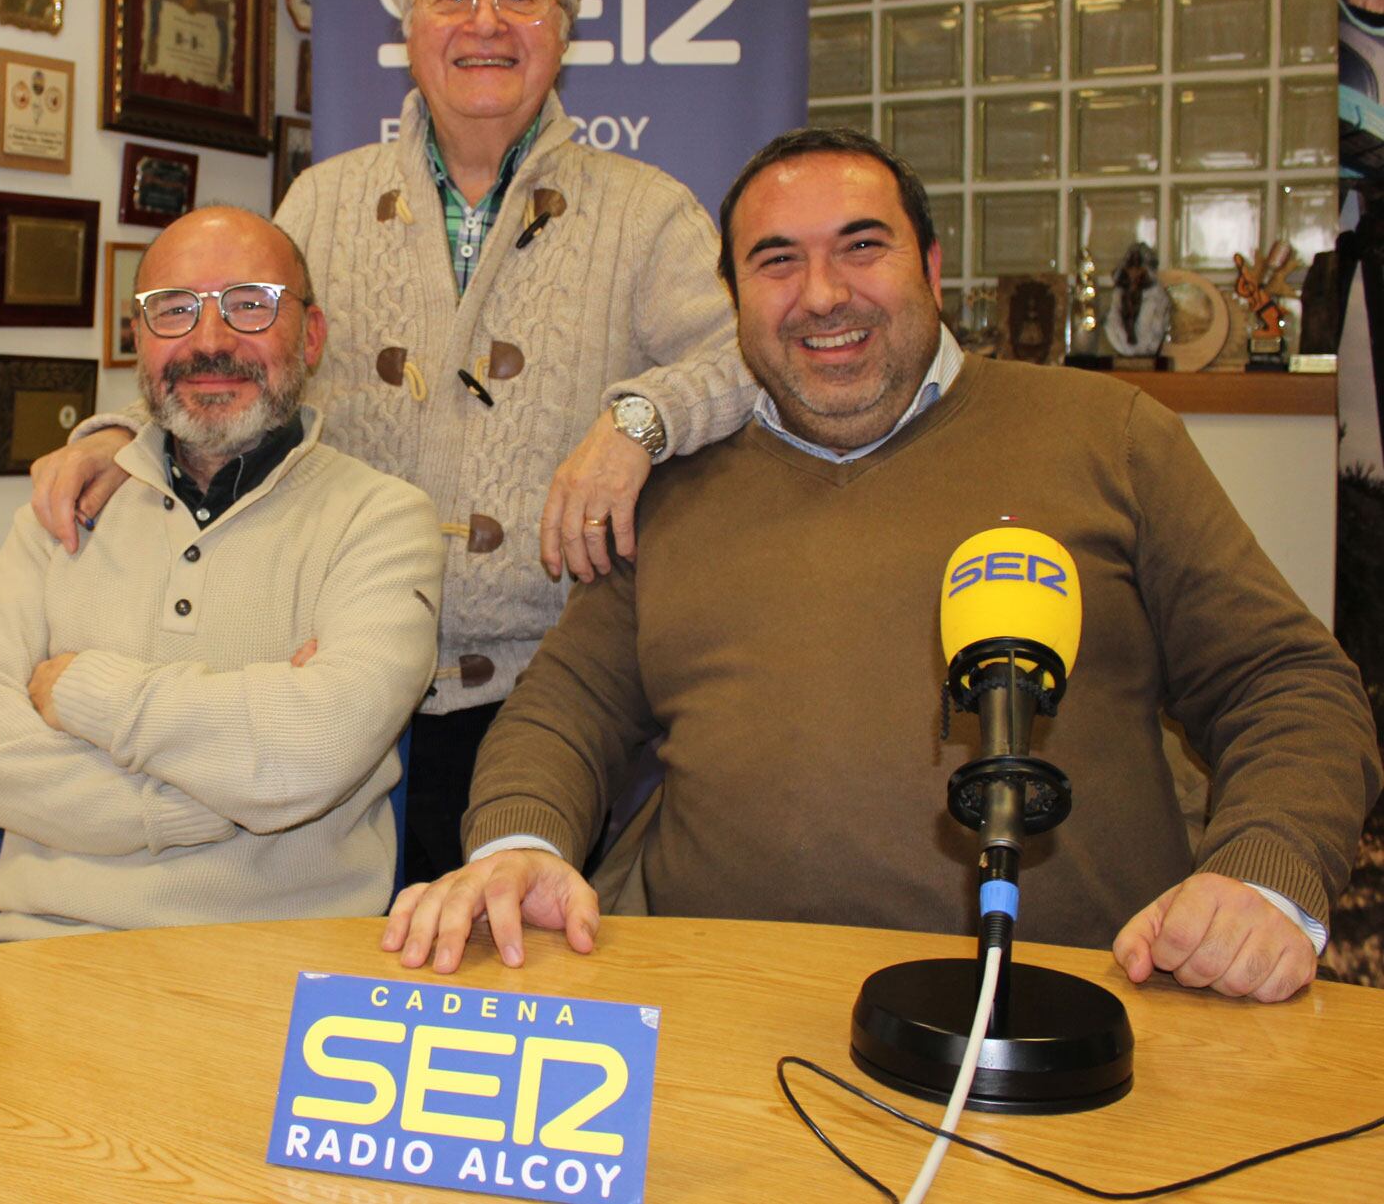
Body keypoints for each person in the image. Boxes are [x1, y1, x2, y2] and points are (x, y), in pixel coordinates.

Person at [381, 128, 1381, 1004]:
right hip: (725, 1012)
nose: (823, 295)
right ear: (734, 303)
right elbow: (564, 712)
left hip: (1071, 1018)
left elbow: (1288, 685)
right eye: (776, 262)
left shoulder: (1105, 437)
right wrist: (520, 851)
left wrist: (1263, 879)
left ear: (933, 269)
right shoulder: (677, 486)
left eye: (862, 247)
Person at [28, 0, 754, 883]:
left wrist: (636, 419)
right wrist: (121, 436)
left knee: (512, 990)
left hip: (550, 700)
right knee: (333, 983)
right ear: (408, 23)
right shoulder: (322, 202)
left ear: (564, 27)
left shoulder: (649, 214)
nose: (485, 23)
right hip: (327, 684)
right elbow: (235, 358)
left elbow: (747, 365)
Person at [0, 207, 444, 942]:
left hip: (280, 974)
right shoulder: (61, 515)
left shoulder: (383, 522)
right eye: (173, 310)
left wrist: (80, 689)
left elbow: (317, 750)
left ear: (312, 334)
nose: (209, 341)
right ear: (137, 338)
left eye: (250, 305)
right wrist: (215, 798)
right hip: (38, 959)